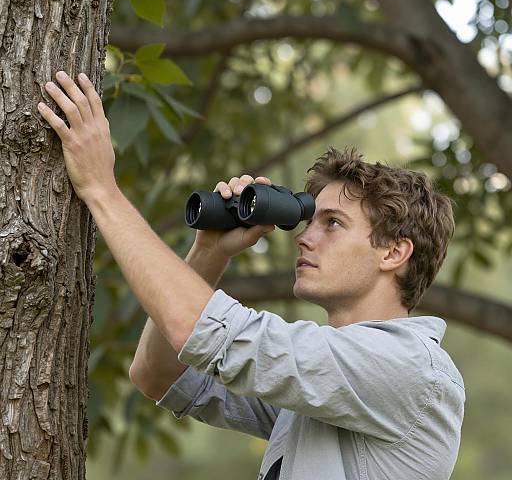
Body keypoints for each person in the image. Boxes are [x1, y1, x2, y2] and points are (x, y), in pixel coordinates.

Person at [39, 71, 465, 480]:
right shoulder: (323, 390)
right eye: (308, 221)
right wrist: (209, 251)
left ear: (394, 252)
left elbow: (197, 327)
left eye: (332, 223)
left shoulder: (407, 368)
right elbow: (157, 374)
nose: (303, 238)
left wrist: (101, 188)